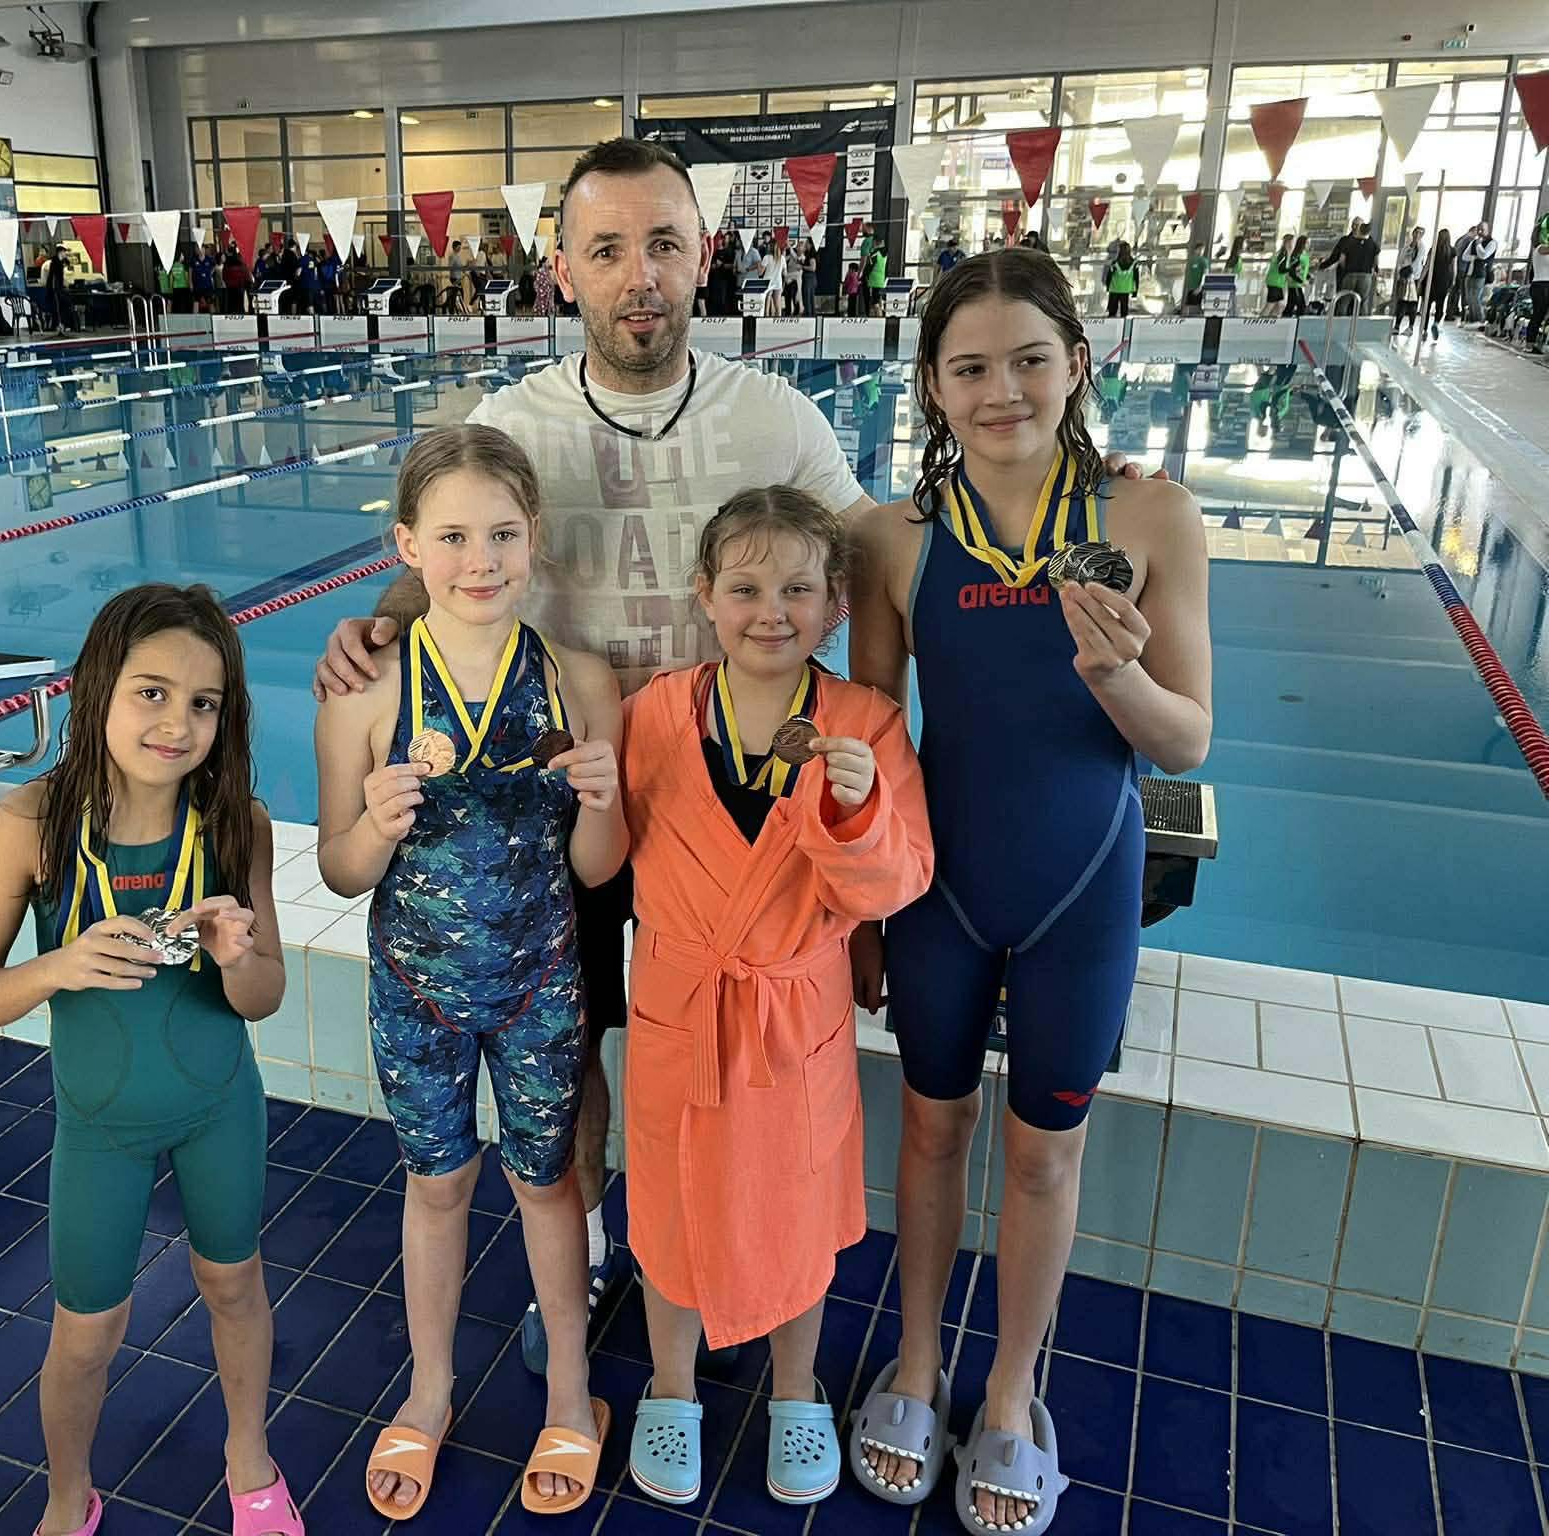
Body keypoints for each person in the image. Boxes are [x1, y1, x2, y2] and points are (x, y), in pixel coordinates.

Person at [309, 137, 1156, 1388]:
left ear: (701, 255)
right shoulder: (511, 422)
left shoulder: (775, 417)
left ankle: (750, 1259)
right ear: (562, 269)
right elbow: (454, 548)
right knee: (579, 1048)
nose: (638, 275)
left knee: (715, 1052)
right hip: (573, 792)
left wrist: (1078, 474)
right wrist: (380, 621)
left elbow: (878, 550)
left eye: (662, 243)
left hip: (736, 799)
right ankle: (598, 1249)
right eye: (607, 249)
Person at [845, 246, 1210, 1534]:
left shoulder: (1149, 519)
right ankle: (914, 1364)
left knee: (1045, 1155)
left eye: (1027, 360)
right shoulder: (888, 538)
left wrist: (1115, 676)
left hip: (1081, 887)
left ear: (1076, 364)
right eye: (968, 368)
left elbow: (1184, 741)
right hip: (938, 889)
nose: (1000, 390)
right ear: (931, 387)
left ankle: (1008, 1389)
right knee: (928, 1129)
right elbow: (873, 742)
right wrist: (858, 918)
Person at [0, 583, 304, 1536]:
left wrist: (237, 956)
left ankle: (250, 1460)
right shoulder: (34, 826)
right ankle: (69, 1497)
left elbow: (264, 997)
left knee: (234, 1286)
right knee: (86, 1335)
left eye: (202, 702)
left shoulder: (236, 824)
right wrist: (56, 966)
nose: (177, 724)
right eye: (151, 693)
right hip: (99, 1128)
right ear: (96, 689)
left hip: (219, 1107)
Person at [314, 424, 627, 1521]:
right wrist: (373, 826)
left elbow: (599, 867)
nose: (479, 560)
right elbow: (339, 869)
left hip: (542, 983)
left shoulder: (579, 680)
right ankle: (430, 1387)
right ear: (407, 544)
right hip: (417, 992)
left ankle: (573, 1393)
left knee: (547, 1182)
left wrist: (604, 801)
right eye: (451, 536)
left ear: (534, 538)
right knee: (437, 1184)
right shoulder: (365, 693)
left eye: (500, 534)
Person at [619, 487, 933, 1510]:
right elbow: (606, 853)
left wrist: (857, 808)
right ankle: (672, 1387)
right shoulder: (655, 713)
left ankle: (797, 1392)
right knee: (668, 1203)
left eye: (798, 590)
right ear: (704, 595)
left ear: (834, 604)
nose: (771, 612)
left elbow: (898, 883)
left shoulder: (866, 724)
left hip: (791, 1014)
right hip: (681, 1005)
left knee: (794, 1205)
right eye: (746, 588)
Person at [1316, 219, 1378, 315]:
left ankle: (1347, 320)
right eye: (1354, 224)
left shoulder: (1350, 241)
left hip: (1349, 274)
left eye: (1357, 225)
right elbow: (1335, 257)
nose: (1354, 227)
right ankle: (1351, 321)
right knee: (1357, 301)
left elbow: (1340, 258)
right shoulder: (1369, 242)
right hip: (1357, 275)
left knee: (1346, 301)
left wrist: (1346, 269)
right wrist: (1322, 266)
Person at [1392, 225, 1427, 337]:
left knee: (1412, 303)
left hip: (1413, 278)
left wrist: (1408, 271)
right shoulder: (1407, 247)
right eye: (1416, 232)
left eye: (1420, 233)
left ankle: (1410, 327)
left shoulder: (1421, 247)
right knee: (1401, 302)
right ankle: (1397, 326)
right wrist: (1400, 272)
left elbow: (1417, 263)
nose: (1417, 235)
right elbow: (1400, 260)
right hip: (1404, 278)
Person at [1458, 224, 1496, 322]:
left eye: (1482, 230)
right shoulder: (1473, 242)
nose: (1480, 232)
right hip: (1469, 273)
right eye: (1479, 230)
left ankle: (1480, 320)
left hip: (1481, 274)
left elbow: (1484, 255)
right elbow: (1464, 256)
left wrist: (1478, 245)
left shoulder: (1492, 243)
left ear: (1487, 230)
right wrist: (1474, 257)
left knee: (1476, 298)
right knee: (1469, 298)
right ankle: (1472, 319)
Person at [1423, 229, 1455, 341]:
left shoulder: (1433, 250)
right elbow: (1453, 268)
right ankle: (1436, 323)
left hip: (1432, 281)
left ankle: (1424, 330)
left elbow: (1427, 266)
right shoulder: (1452, 251)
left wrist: (1420, 280)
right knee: (1440, 305)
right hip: (1444, 281)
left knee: (1427, 306)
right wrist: (1452, 282)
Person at [1262, 233, 1296, 317]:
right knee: (1270, 305)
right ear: (1288, 243)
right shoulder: (1283, 254)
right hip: (1274, 282)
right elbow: (1281, 269)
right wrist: (1290, 270)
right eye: (1293, 242)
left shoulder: (1286, 254)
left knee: (1279, 306)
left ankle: (1271, 320)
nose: (1294, 245)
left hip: (1278, 283)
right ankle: (1260, 321)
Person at [1104, 240, 1139, 318]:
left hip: (1114, 289)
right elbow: (1136, 278)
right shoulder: (1134, 263)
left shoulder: (1115, 263)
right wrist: (1135, 292)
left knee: (1112, 311)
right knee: (1124, 311)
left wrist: (1107, 287)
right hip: (1126, 289)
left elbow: (1109, 276)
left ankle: (1112, 324)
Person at [1528, 228, 1549, 353]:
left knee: (1538, 316)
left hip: (1541, 285)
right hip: (1541, 286)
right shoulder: (1540, 248)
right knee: (1537, 316)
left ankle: (1532, 344)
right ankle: (1530, 345)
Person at [1182, 243, 1210, 313]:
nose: (1200, 251)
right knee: (1189, 306)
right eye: (1199, 249)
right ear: (1195, 250)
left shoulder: (1203, 260)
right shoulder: (1191, 260)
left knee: (1197, 307)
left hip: (1198, 288)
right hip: (1191, 288)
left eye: (1202, 249)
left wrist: (1200, 287)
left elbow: (1205, 275)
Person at [800, 237, 819, 317]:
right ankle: (809, 314)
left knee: (808, 298)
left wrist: (802, 267)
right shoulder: (807, 254)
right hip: (808, 278)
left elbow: (813, 268)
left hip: (809, 278)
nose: (805, 244)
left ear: (811, 244)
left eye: (807, 243)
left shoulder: (811, 255)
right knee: (807, 297)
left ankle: (809, 315)